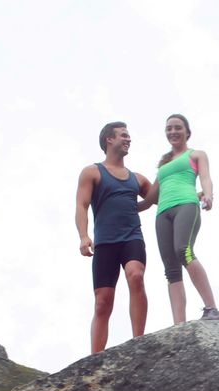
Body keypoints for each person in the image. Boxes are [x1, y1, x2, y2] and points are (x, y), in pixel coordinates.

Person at [75, 121, 154, 352]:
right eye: (123, 135)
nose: (128, 139)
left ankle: (139, 342)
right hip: (105, 243)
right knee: (102, 302)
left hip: (132, 238)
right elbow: (81, 205)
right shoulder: (92, 172)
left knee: (136, 275)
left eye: (128, 136)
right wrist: (83, 236)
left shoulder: (137, 179)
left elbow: (157, 198)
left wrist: (186, 188)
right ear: (109, 139)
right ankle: (95, 358)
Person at [146, 113, 219, 323]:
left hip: (186, 205)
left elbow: (206, 178)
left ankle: (212, 309)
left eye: (177, 127)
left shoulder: (196, 154)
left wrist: (207, 195)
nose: (173, 131)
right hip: (162, 213)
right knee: (171, 269)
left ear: (187, 132)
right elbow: (149, 198)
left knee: (184, 250)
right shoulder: (163, 167)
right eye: (169, 128)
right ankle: (179, 324)